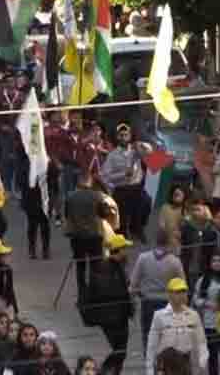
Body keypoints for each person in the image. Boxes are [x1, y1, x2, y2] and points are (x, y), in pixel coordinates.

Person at [131, 229, 186, 357]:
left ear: (156, 241)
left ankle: (151, 362)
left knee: (149, 334)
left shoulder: (143, 258)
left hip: (148, 302)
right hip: (168, 303)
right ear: (169, 242)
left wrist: (135, 297)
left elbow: (133, 283)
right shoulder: (174, 261)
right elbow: (183, 285)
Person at [84, 234, 133, 375]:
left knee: (120, 349)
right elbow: (108, 291)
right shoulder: (105, 268)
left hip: (119, 315)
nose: (127, 252)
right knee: (120, 350)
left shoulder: (117, 266)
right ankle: (103, 370)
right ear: (119, 250)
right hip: (112, 317)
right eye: (125, 248)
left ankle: (114, 371)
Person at [147, 277, 208, 375]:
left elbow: (201, 342)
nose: (181, 295)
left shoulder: (193, 315)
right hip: (166, 366)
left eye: (183, 291)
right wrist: (149, 370)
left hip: (187, 366)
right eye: (177, 292)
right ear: (169, 294)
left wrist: (202, 364)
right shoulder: (159, 316)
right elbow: (152, 345)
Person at [191, 252, 220, 375]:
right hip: (210, 321)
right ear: (210, 263)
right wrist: (207, 304)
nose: (217, 263)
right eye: (214, 261)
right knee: (212, 353)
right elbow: (196, 299)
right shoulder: (204, 280)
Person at [102, 123, 151, 242]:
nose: (124, 137)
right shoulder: (112, 155)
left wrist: (140, 144)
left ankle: (138, 229)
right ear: (117, 137)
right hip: (121, 188)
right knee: (121, 214)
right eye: (121, 135)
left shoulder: (136, 151)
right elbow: (106, 176)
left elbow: (150, 151)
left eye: (126, 135)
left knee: (146, 202)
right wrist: (123, 175)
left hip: (136, 187)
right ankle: (123, 233)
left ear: (130, 136)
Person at [64, 169, 104, 299]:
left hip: (77, 236)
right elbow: (103, 214)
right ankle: (95, 292)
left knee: (80, 266)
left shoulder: (70, 196)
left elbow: (66, 214)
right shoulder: (97, 196)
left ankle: (82, 293)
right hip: (94, 236)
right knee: (95, 265)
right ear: (90, 181)